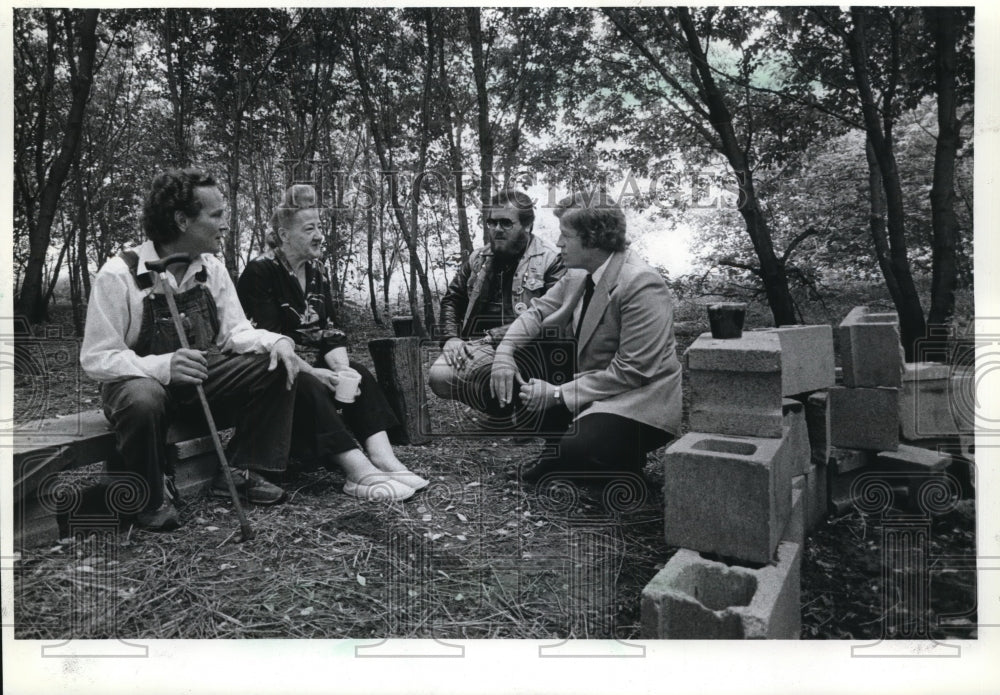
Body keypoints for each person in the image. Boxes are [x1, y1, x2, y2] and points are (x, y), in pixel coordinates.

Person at [80, 168, 299, 531]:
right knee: (143, 398)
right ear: (182, 220)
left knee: (275, 364)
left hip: (201, 378)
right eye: (216, 215)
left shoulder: (211, 268)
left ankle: (239, 470)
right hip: (138, 384)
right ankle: (150, 496)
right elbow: (97, 357)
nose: (225, 224)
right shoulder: (119, 274)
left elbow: (236, 332)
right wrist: (165, 365)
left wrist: (275, 341)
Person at [237, 184, 428, 501]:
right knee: (307, 383)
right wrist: (315, 373)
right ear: (284, 234)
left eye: (320, 227)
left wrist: (340, 369)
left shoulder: (317, 270)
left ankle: (384, 459)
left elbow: (330, 328)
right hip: (273, 371)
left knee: (358, 374)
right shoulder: (260, 272)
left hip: (311, 363)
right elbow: (266, 341)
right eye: (309, 228)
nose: (320, 235)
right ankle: (357, 473)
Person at [490, 191, 682, 485]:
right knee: (523, 358)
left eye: (565, 235)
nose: (558, 243)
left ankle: (602, 457)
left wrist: (556, 394)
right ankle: (570, 450)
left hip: (638, 399)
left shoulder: (641, 284)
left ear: (593, 239)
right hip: (592, 385)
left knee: (578, 448)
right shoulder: (580, 272)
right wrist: (504, 354)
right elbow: (537, 313)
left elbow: (633, 371)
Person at [428, 190, 566, 424]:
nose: (497, 229)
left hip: (531, 346)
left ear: (527, 225)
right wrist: (451, 338)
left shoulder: (551, 259)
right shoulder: (479, 257)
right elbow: (453, 298)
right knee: (440, 376)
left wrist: (496, 338)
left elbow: (555, 315)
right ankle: (500, 410)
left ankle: (529, 410)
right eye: (492, 222)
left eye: (506, 223)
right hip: (482, 345)